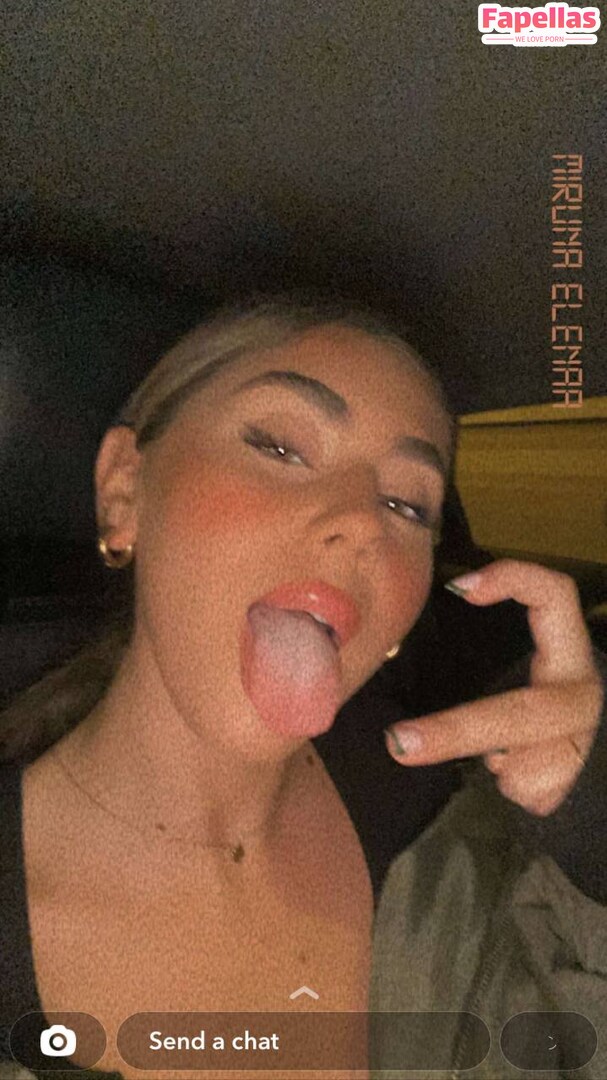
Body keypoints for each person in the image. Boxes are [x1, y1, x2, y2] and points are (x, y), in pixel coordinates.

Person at [0, 294, 604, 1080]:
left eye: (406, 503)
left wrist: (594, 829)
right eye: (280, 447)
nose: (364, 522)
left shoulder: (459, 831)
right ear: (123, 490)